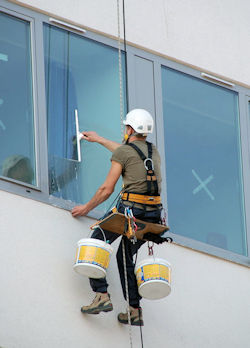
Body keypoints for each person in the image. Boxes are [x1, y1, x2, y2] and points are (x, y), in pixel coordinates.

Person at [71, 109, 163, 326]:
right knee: (124, 257)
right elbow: (127, 152)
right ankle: (134, 309)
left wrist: (86, 208)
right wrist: (100, 140)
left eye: (126, 128)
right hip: (152, 216)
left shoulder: (125, 152)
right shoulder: (152, 151)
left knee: (95, 243)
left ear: (130, 129)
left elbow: (106, 189)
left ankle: (101, 295)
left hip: (129, 211)